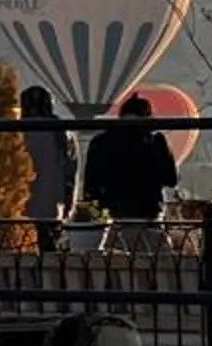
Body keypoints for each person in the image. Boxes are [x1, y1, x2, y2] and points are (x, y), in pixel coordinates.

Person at [83, 95, 179, 225]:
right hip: (148, 213)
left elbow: (90, 187)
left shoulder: (100, 141)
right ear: (147, 116)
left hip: (113, 215)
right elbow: (171, 179)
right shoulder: (155, 141)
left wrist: (100, 217)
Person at [19, 84, 75, 250]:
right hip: (50, 207)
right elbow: (69, 172)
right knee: (48, 254)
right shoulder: (61, 132)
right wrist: (68, 205)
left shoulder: (13, 131)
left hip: (18, 208)